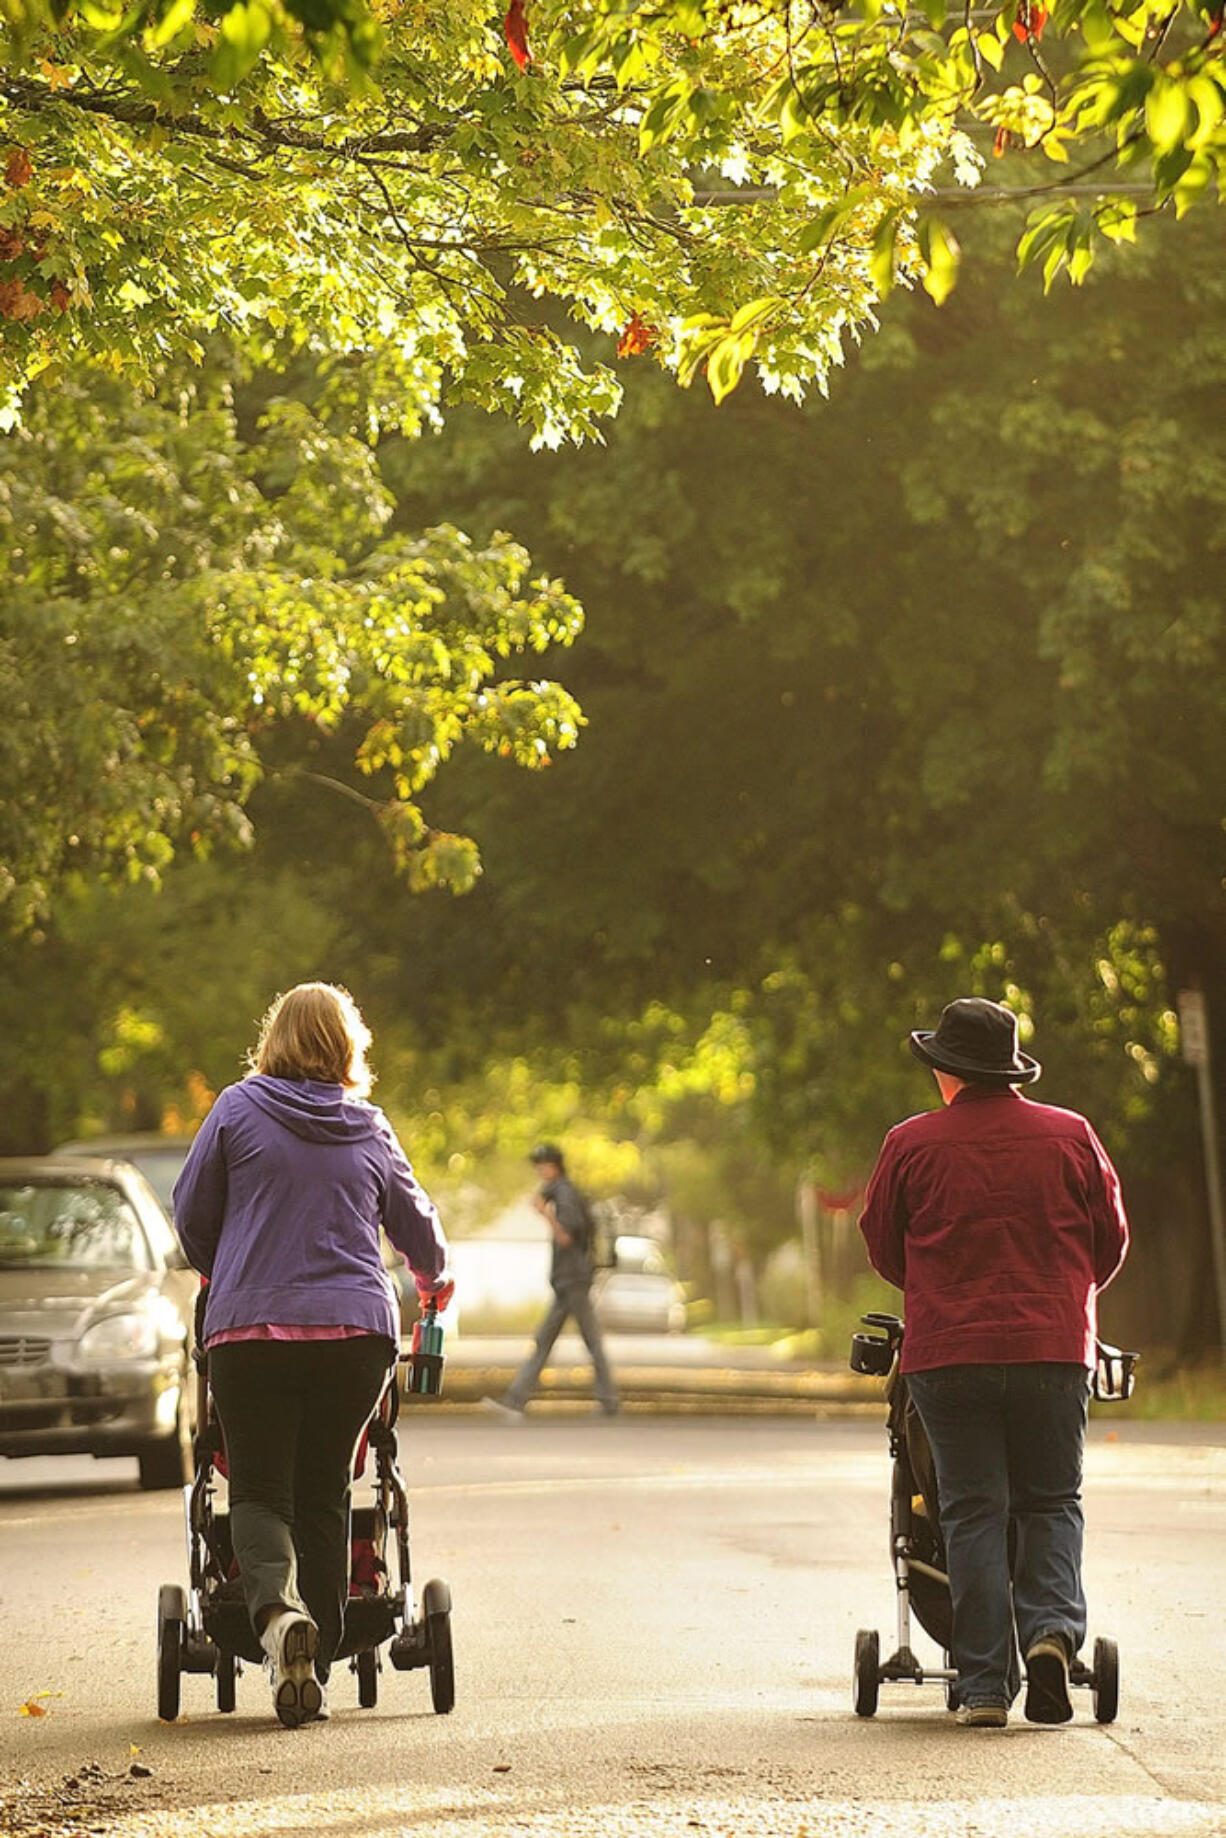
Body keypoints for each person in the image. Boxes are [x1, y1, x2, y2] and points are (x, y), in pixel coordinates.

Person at [172, 982, 453, 1728]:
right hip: (355, 1335)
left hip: (251, 1330)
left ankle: (275, 1620)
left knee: (261, 1492)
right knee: (327, 1492)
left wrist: (226, 1267)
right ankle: (317, 1659)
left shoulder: (236, 1108)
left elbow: (190, 1213)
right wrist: (434, 1283)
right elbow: (418, 1227)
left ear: (274, 1040)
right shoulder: (368, 1125)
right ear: (348, 1046)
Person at [858, 997, 1129, 1729]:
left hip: (948, 1354)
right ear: (1011, 1071)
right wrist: (1061, 1296)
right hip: (1051, 1347)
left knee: (972, 1509)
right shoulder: (1071, 1135)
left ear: (946, 1071)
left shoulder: (910, 1143)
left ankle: (982, 1686)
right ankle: (1047, 1637)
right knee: (1051, 1501)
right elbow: (1110, 1241)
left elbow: (883, 1245)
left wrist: (937, 1290)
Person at [484, 1143, 618, 1420]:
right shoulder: (563, 1191)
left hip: (573, 1279)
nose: (538, 1172)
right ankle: (517, 1399)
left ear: (552, 1166)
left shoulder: (564, 1194)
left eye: (541, 1166)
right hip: (569, 1280)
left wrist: (546, 1214)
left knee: (580, 1340)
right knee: (547, 1339)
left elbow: (567, 1237)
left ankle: (608, 1401)